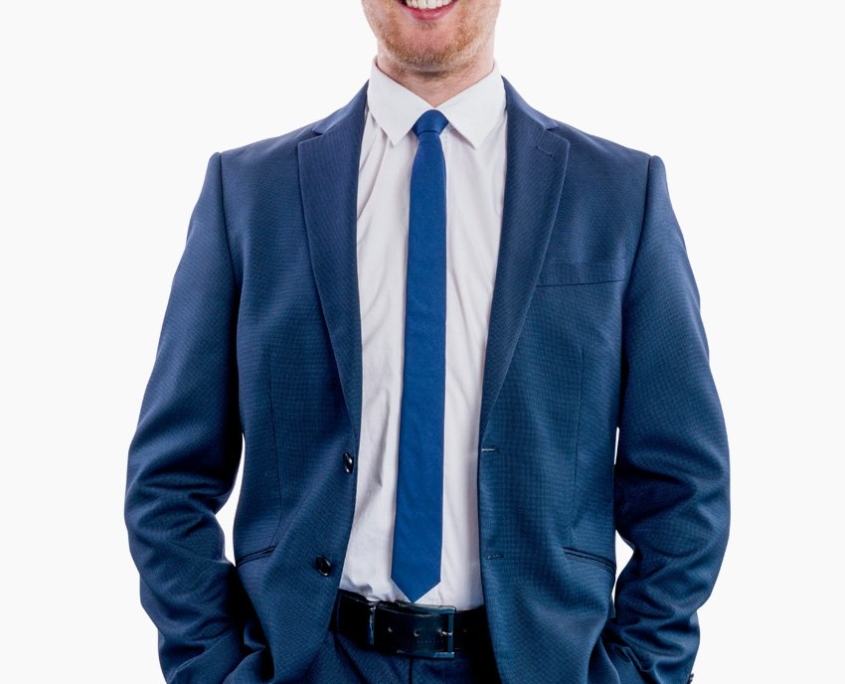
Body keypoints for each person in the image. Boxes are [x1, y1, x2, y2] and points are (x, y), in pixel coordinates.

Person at [125, 1, 730, 683]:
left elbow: (684, 482)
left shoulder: (620, 195)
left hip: (538, 665)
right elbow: (168, 480)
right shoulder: (248, 194)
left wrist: (640, 670)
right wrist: (213, 666)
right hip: (310, 663)